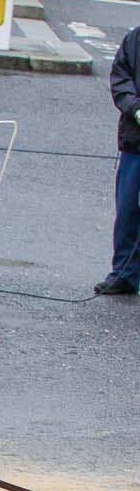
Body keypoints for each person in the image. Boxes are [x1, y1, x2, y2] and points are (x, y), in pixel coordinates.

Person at [98, 23, 140, 295]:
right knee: (128, 209)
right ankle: (124, 273)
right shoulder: (134, 39)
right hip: (135, 141)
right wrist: (136, 109)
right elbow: (120, 78)